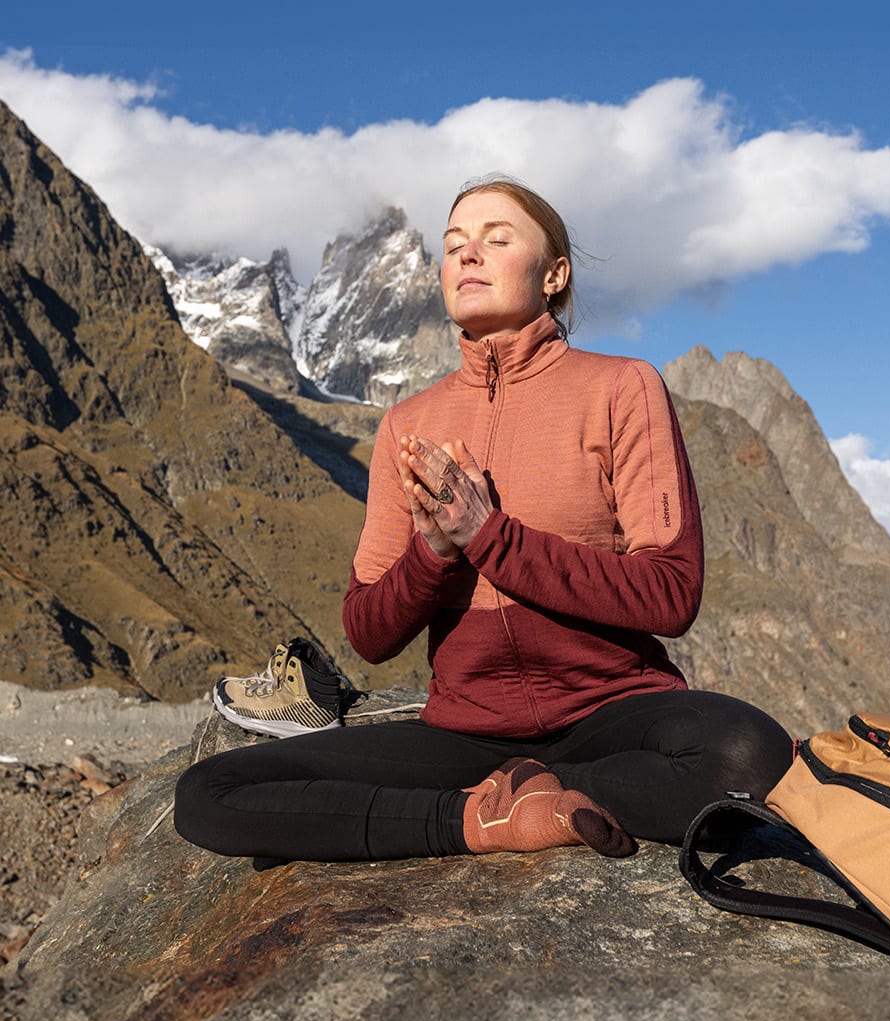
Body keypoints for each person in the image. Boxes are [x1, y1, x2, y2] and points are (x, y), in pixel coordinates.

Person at [174, 177, 792, 865]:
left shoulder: (622, 389)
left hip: (612, 715)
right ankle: (487, 819)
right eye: (453, 246)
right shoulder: (407, 425)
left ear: (554, 274)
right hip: (462, 734)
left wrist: (489, 536)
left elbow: (670, 592)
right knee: (209, 792)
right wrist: (434, 554)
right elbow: (368, 632)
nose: (468, 256)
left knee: (747, 754)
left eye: (497, 239)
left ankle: (533, 790)